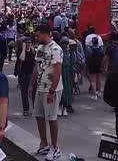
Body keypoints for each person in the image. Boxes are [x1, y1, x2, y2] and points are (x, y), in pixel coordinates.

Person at [30, 24, 63, 161]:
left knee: (51, 118)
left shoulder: (56, 49)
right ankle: (44, 143)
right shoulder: (40, 48)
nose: (36, 38)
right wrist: (31, 85)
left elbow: (57, 71)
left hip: (51, 89)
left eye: (38, 35)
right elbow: (37, 66)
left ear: (45, 34)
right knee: (39, 115)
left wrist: (51, 91)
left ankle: (55, 147)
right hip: (40, 87)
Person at [18, 37, 36, 116]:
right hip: (23, 74)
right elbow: (22, 58)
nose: (28, 44)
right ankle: (26, 109)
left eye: (29, 43)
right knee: (24, 92)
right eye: (27, 43)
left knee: (34, 92)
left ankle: (35, 108)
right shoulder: (21, 51)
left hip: (32, 74)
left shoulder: (34, 51)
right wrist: (24, 48)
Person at [85, 28, 104, 101]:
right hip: (99, 64)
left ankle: (94, 95)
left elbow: (88, 57)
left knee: (93, 80)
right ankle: (99, 92)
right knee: (99, 78)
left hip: (92, 65)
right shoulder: (101, 49)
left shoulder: (90, 49)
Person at [59, 36, 75, 116]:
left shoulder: (70, 52)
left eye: (66, 43)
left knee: (68, 90)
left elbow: (73, 63)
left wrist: (74, 74)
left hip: (68, 73)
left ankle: (66, 106)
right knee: (60, 91)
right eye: (63, 43)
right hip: (60, 72)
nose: (65, 45)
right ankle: (60, 106)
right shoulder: (58, 51)